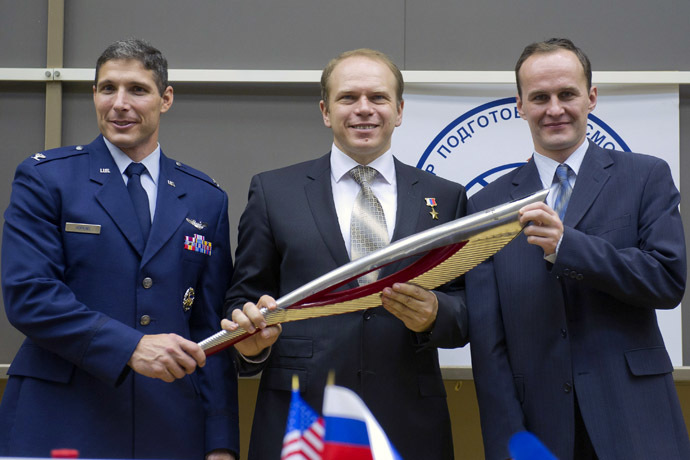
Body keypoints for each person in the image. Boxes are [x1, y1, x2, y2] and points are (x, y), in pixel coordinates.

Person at [221, 48, 468, 459]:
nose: (364, 110)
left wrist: (437, 315)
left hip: (408, 418)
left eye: (378, 97)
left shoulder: (444, 196)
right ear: (324, 110)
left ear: (400, 110)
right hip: (302, 419)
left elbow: (468, 306)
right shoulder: (273, 193)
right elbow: (241, 298)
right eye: (348, 98)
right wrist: (251, 342)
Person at [0, 39, 238, 459]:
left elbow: (209, 331)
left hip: (168, 424)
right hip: (60, 416)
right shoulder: (47, 178)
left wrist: (220, 442)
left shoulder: (205, 198)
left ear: (165, 99)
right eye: (108, 88)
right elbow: (29, 295)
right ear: (94, 94)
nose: (120, 103)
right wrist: (130, 347)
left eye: (137, 90)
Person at [466, 37, 690, 460]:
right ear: (519, 105)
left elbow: (667, 281)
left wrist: (570, 247)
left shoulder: (645, 176)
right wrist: (509, 442)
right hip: (539, 428)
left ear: (591, 97)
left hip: (637, 421)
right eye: (539, 97)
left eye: (567, 93)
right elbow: (488, 343)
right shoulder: (486, 206)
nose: (554, 109)